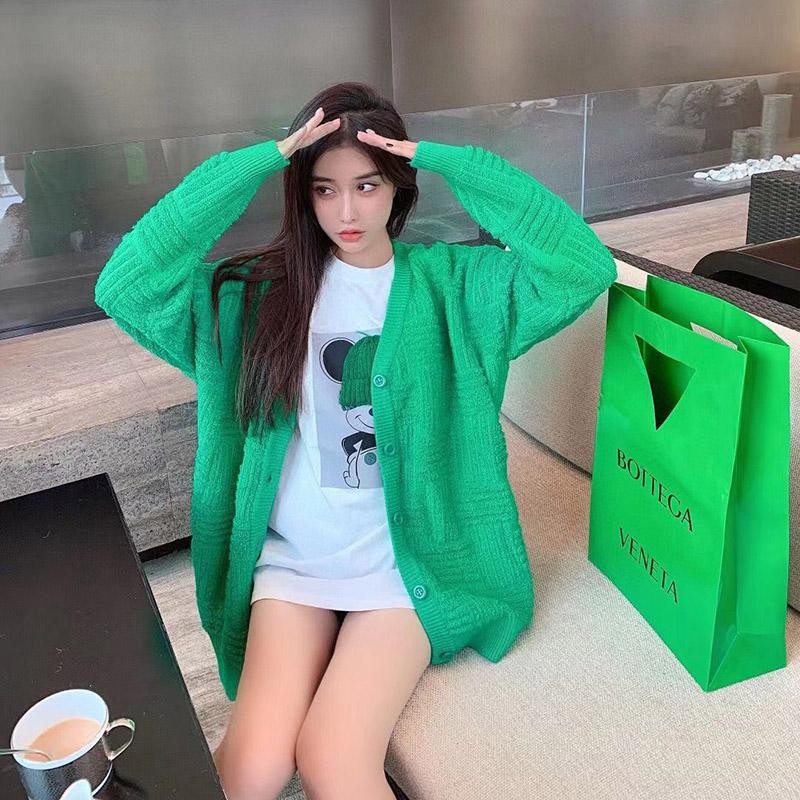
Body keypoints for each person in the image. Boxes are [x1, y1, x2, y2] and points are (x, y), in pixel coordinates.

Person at [94, 81, 617, 800]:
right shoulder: (251, 295)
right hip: (293, 563)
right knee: (251, 769)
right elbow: (126, 284)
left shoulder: (456, 288)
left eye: (367, 185)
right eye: (324, 189)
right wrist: (255, 162)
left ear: (398, 187)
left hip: (406, 567)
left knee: (333, 759)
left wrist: (450, 161)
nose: (346, 212)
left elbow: (580, 265)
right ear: (302, 194)